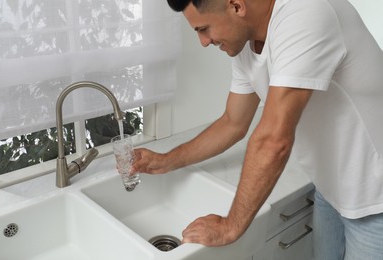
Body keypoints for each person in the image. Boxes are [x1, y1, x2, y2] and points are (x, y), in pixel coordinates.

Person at [132, 0, 383, 258]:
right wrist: (165, 161)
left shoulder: (306, 12)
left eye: (203, 29)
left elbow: (274, 140)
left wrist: (231, 226)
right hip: (330, 188)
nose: (204, 42)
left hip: (375, 198)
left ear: (236, 6)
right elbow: (233, 122)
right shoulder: (245, 43)